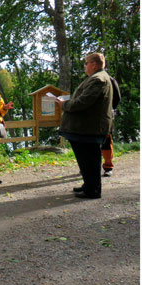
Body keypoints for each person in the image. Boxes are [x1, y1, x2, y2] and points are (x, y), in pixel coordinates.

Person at [57, 52, 114, 199]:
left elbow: (84, 102)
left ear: (94, 64)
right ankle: (88, 185)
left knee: (90, 159)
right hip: (86, 127)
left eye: (86, 63)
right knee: (85, 159)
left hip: (89, 128)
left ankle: (93, 190)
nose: (85, 66)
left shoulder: (98, 80)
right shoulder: (97, 78)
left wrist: (65, 104)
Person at [100, 75, 122, 177]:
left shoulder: (111, 80)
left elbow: (117, 97)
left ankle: (108, 167)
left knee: (106, 141)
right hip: (91, 117)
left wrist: (110, 109)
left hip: (106, 116)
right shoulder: (88, 80)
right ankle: (90, 167)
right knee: (90, 142)